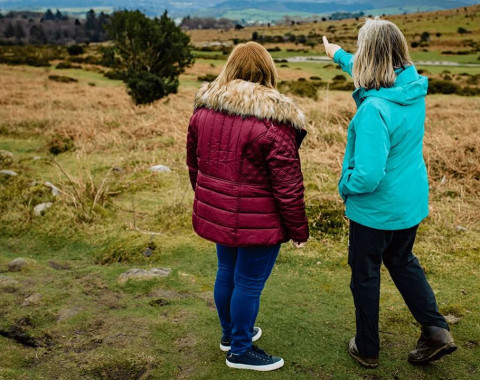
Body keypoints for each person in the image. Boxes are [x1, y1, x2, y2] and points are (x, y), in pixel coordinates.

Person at [322, 18, 456, 368]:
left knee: (364, 276)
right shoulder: (410, 88)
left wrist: (344, 187)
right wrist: (337, 54)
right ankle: (436, 330)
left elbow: (367, 176)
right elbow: (366, 67)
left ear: (370, 55)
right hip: (407, 204)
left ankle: (367, 348)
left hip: (374, 211)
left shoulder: (373, 110)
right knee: (402, 261)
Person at [186, 41, 309, 371]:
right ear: (268, 71)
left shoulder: (203, 112)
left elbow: (194, 166)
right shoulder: (274, 123)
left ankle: (230, 335)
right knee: (249, 283)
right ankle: (240, 350)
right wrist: (298, 229)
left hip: (220, 213)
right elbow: (288, 186)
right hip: (261, 221)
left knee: (227, 272)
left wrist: (210, 202)